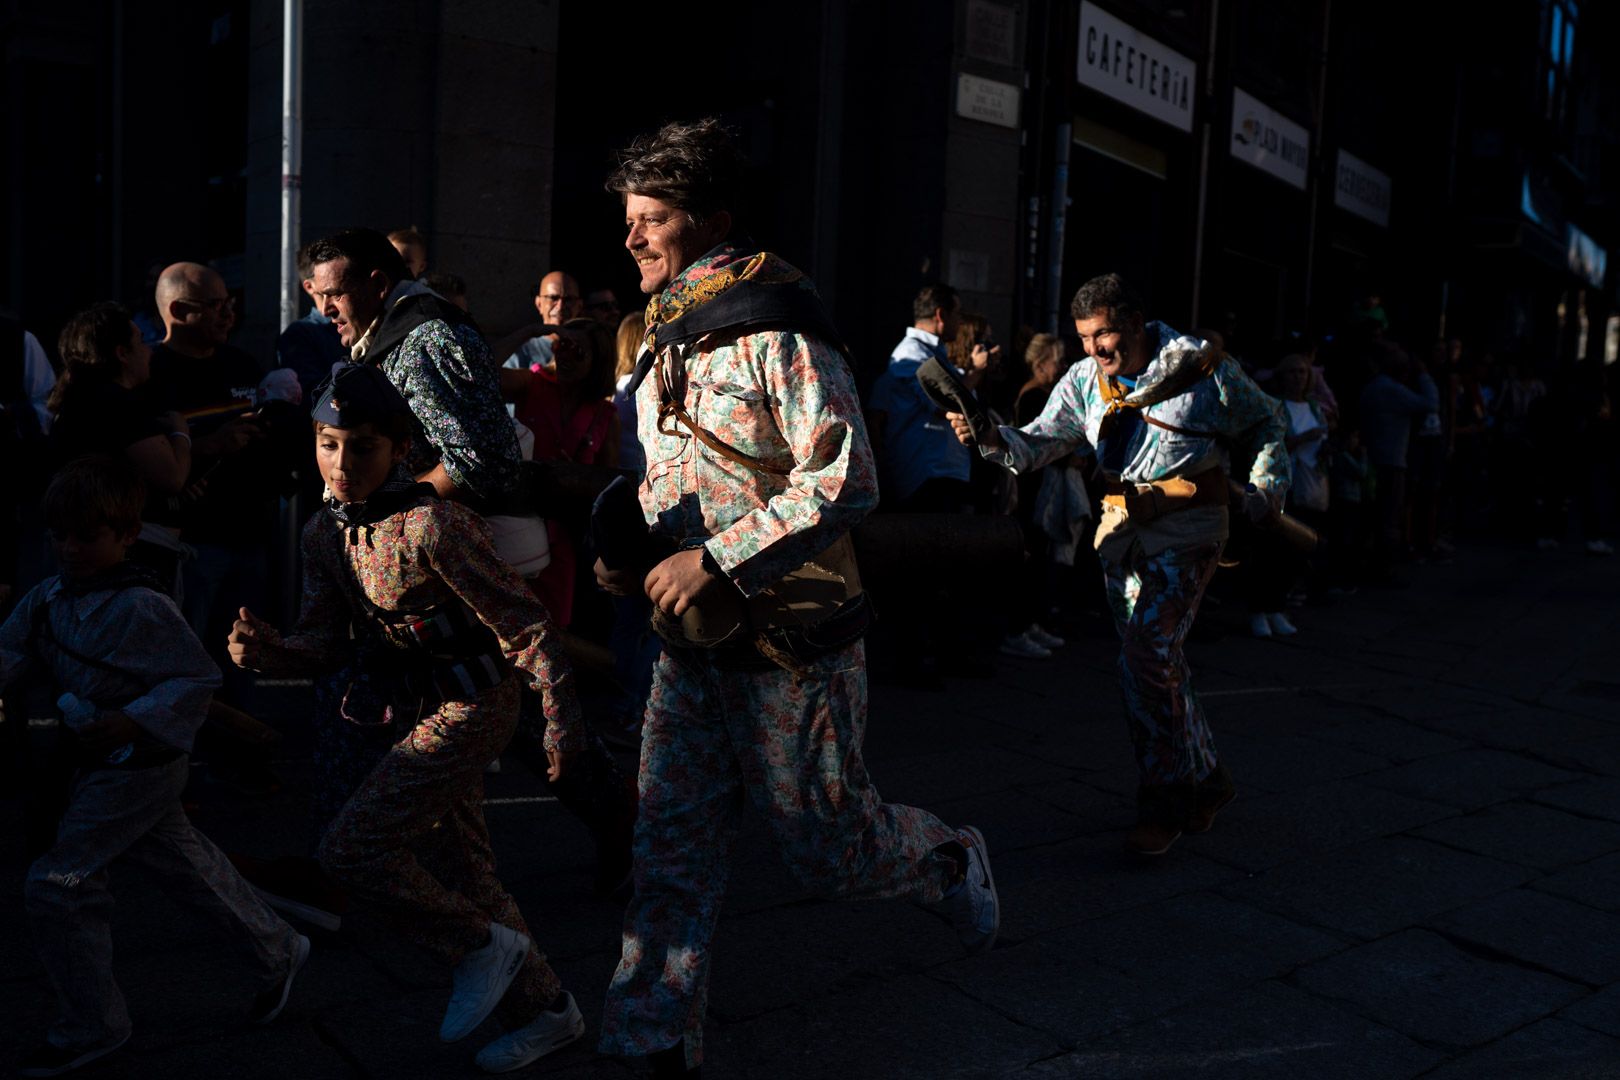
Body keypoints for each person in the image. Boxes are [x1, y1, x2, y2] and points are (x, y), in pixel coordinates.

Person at [594, 117, 997, 1079]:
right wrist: (633, 549)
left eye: (653, 220)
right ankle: (653, 1037)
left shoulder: (777, 325)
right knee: (668, 844)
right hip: (690, 643)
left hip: (793, 640)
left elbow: (846, 479)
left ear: (712, 222)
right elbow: (660, 476)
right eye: (629, 219)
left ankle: (945, 859)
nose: (633, 238)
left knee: (827, 847)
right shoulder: (653, 338)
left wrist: (719, 560)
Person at [226, 366, 587, 1073]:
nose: (341, 463)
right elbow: (324, 643)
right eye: (329, 444)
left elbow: (527, 625)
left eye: (362, 447)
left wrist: (561, 723)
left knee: (349, 852)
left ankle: (481, 946)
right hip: (414, 710)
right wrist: (268, 652)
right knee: (469, 874)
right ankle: (550, 1013)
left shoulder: (435, 524)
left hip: (476, 702)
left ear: (400, 449)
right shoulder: (323, 534)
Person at [949, 273, 1290, 856]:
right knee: (1156, 663)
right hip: (1119, 536)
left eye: (1102, 334)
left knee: (1146, 654)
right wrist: (989, 437)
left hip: (1190, 528)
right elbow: (1037, 444)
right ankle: (1207, 778)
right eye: (1083, 337)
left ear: (1134, 323)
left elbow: (1267, 422)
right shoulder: (1084, 380)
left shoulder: (1200, 370)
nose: (1092, 349)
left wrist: (1266, 485)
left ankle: (1164, 800)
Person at [5, 457, 307, 1079]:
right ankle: (277, 948)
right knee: (183, 863)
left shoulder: (143, 606)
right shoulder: (47, 597)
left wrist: (135, 719)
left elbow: (197, 677)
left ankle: (93, 1024)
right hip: (95, 761)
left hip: (140, 762)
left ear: (127, 534)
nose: (70, 549)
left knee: (57, 883)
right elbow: (9, 651)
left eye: (87, 536)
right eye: (60, 535)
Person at [46, 303, 193, 588]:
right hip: (128, 561)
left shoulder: (78, 403)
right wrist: (180, 435)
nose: (149, 350)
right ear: (122, 353)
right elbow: (171, 476)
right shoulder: (118, 405)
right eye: (141, 341)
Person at [501, 317, 619, 627]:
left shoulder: (605, 415)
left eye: (578, 352)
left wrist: (577, 473)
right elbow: (477, 373)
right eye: (561, 346)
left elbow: (610, 485)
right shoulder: (534, 384)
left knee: (555, 624)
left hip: (566, 536)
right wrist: (531, 331)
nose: (565, 357)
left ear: (598, 361)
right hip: (518, 522)